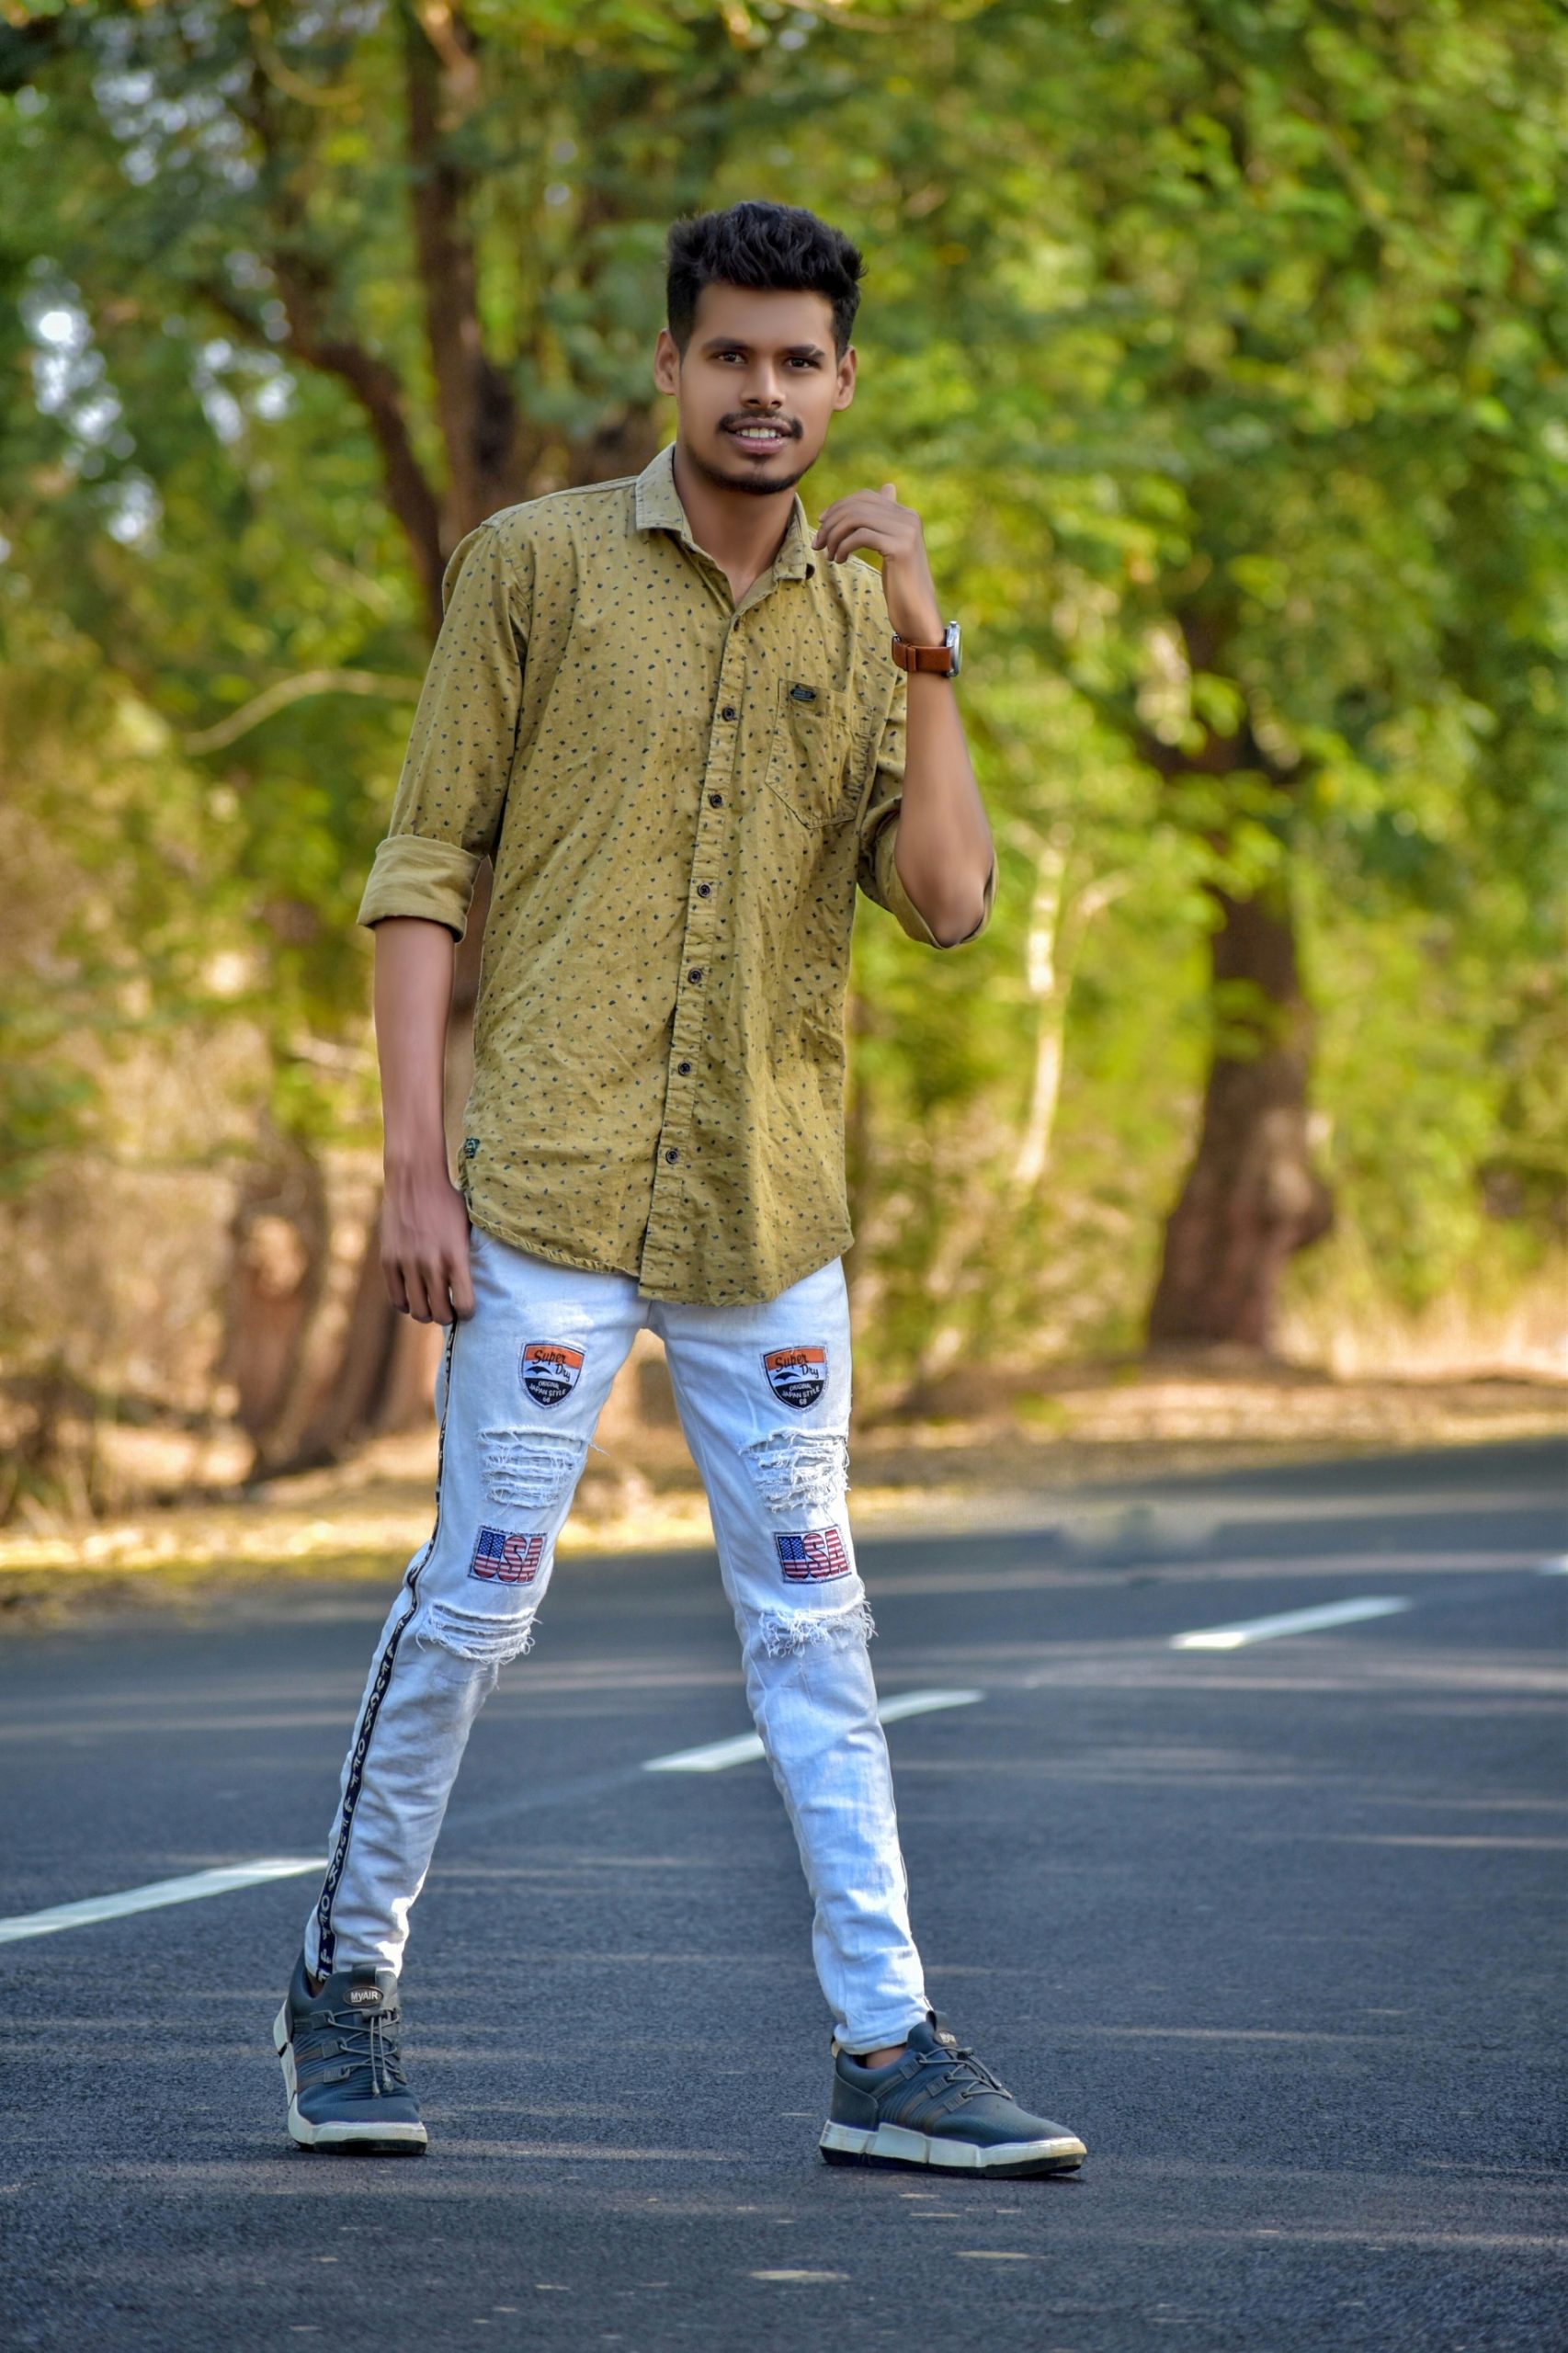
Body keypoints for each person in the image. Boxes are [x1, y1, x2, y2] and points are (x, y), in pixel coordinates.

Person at [274, 200, 1085, 2179]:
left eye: (800, 361)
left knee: (818, 1632)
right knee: (476, 1604)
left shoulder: (868, 619)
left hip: (763, 1216)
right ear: (670, 365)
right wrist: (409, 1169)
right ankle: (343, 1985)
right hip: (542, 1189)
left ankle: (884, 2048)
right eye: (731, 354)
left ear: (842, 382)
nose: (764, 391)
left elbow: (952, 902)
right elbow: (421, 869)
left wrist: (924, 641)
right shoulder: (533, 567)